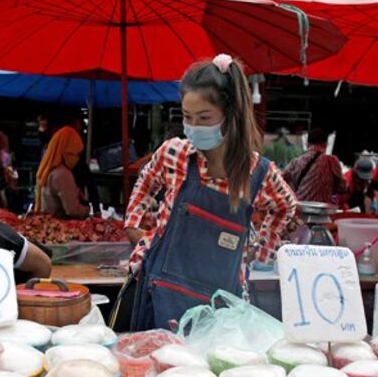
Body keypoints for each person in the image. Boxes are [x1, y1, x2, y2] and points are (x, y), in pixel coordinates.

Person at [115, 54, 296, 331]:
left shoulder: (258, 173)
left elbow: (285, 206)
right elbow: (145, 183)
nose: (194, 126)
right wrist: (133, 226)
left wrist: (261, 253)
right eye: (187, 117)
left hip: (219, 309)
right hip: (159, 295)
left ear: (229, 116)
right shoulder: (174, 153)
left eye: (204, 118)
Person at [34, 122, 90, 218]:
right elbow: (72, 210)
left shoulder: (47, 167)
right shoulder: (62, 173)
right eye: (74, 153)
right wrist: (87, 209)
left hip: (46, 221)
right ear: (66, 151)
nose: (76, 158)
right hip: (59, 225)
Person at [282, 128, 347, 204]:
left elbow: (280, 180)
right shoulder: (332, 161)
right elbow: (343, 187)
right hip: (322, 212)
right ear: (325, 144)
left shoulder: (296, 162)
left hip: (300, 209)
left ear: (307, 144)